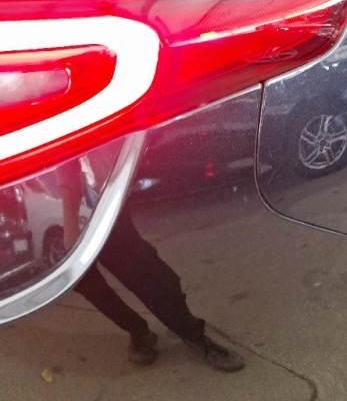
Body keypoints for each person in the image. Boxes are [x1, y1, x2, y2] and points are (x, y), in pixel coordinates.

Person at [56, 156, 244, 372]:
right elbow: (66, 166)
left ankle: (191, 334)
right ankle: (140, 332)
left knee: (149, 275)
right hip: (73, 213)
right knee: (93, 286)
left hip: (105, 204)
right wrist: (70, 225)